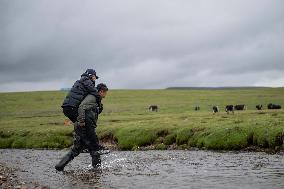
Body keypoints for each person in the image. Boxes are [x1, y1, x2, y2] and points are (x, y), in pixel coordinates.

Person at [55, 83, 108, 171]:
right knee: (94, 148)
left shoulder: (96, 99)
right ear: (101, 91)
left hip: (84, 127)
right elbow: (82, 107)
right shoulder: (92, 97)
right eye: (105, 92)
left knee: (77, 149)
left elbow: (91, 112)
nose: (106, 94)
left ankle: (59, 166)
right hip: (84, 127)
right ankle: (97, 171)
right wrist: (82, 121)